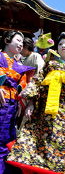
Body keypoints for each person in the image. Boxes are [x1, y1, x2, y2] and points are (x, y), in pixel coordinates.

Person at [6, 32, 65, 173]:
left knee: (59, 144)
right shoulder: (49, 65)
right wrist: (30, 103)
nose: (63, 46)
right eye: (60, 44)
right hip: (44, 108)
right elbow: (37, 83)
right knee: (39, 140)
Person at [0, 30, 35, 174]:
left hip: (12, 105)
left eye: (22, 42)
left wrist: (29, 103)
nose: (21, 44)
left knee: (7, 140)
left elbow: (26, 88)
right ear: (7, 40)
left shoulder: (20, 66)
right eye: (18, 40)